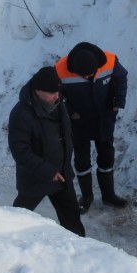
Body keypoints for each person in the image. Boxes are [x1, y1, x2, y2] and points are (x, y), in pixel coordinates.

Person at [8, 66, 85, 237]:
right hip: (36, 178)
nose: (56, 97)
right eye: (51, 93)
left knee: (73, 222)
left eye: (58, 92)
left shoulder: (58, 103)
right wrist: (48, 171)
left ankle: (82, 252)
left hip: (62, 175)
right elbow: (20, 152)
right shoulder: (21, 114)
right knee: (16, 219)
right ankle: (4, 244)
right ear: (37, 91)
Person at [55, 42, 129, 213]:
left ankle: (108, 195)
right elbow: (57, 96)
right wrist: (70, 111)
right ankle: (86, 196)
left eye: (90, 75)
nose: (87, 78)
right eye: (83, 76)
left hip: (104, 119)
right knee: (82, 160)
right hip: (78, 121)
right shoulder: (60, 69)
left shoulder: (110, 61)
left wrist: (119, 101)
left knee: (106, 156)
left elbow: (121, 78)